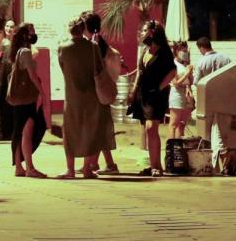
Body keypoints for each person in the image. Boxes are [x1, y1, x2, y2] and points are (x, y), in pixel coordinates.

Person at [57, 17, 116, 179]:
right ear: (83, 29)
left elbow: (62, 67)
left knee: (69, 132)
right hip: (92, 95)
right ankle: (86, 168)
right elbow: (99, 69)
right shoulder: (93, 47)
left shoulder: (63, 48)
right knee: (92, 131)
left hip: (72, 95)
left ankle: (70, 169)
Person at [129, 20, 176, 177]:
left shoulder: (164, 52)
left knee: (151, 128)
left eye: (144, 31)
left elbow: (172, 72)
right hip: (143, 94)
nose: (141, 33)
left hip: (156, 95)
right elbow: (139, 72)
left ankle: (157, 166)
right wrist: (133, 91)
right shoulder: (145, 50)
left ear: (152, 32)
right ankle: (154, 165)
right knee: (147, 129)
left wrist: (160, 88)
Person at [79, 11, 120, 176]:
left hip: (96, 92)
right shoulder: (99, 42)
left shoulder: (95, 44)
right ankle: (108, 163)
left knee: (94, 128)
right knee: (100, 128)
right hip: (100, 92)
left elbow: (94, 70)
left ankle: (90, 164)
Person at [9, 22, 47, 178]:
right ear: (25, 34)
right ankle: (30, 168)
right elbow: (32, 75)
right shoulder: (25, 51)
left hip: (19, 98)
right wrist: (42, 92)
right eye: (31, 31)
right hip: (26, 98)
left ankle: (19, 167)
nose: (34, 34)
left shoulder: (18, 51)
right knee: (27, 131)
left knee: (19, 131)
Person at [193, 36, 232, 170]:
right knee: (223, 133)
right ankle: (224, 164)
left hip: (208, 101)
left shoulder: (201, 62)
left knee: (208, 134)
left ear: (201, 48)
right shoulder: (226, 58)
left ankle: (212, 165)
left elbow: (197, 82)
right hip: (225, 100)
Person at [168, 41, 194, 140]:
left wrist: (190, 74)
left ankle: (178, 146)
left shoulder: (184, 64)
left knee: (181, 124)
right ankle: (171, 147)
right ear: (177, 51)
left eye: (186, 50)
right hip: (176, 95)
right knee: (173, 123)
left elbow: (190, 82)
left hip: (185, 94)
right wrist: (187, 74)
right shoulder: (173, 65)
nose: (185, 52)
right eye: (183, 50)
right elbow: (175, 82)